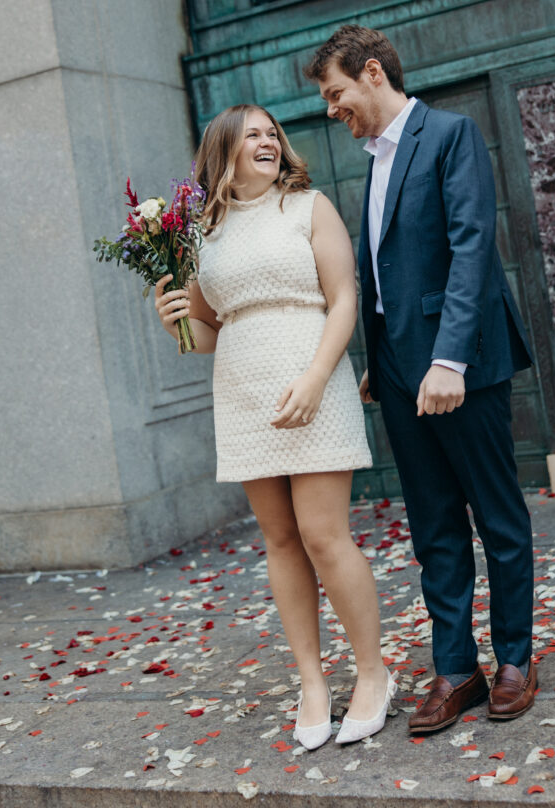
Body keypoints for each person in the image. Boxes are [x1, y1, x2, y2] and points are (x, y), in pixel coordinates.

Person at [304, 25, 536, 732]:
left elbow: (470, 249)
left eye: (335, 92)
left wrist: (447, 359)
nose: (330, 109)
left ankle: (516, 660)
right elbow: (385, 275)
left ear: (372, 73)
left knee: (496, 517)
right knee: (433, 526)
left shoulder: (451, 134)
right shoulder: (373, 159)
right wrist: (385, 359)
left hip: (459, 367)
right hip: (402, 376)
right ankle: (455, 669)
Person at [154, 104, 397, 749]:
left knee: (323, 534)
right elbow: (208, 334)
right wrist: (175, 319)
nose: (267, 142)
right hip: (242, 391)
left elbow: (344, 298)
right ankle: (313, 683)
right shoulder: (201, 232)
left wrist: (318, 376)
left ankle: (373, 674)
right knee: (281, 540)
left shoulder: (309, 206)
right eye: (251, 136)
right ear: (223, 153)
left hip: (314, 378)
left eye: (272, 134)